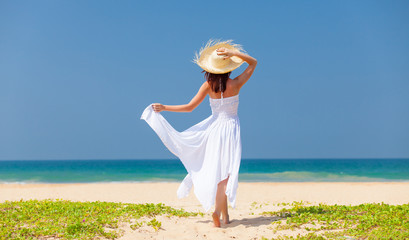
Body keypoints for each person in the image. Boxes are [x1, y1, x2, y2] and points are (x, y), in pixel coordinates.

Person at [141, 40, 257, 227]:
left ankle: (225, 218)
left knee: (221, 172)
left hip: (213, 129)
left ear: (210, 68)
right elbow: (254, 62)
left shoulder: (208, 86)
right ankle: (217, 212)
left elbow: (189, 108)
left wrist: (165, 107)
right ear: (228, 67)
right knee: (225, 175)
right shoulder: (236, 83)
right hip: (230, 129)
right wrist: (233, 53)